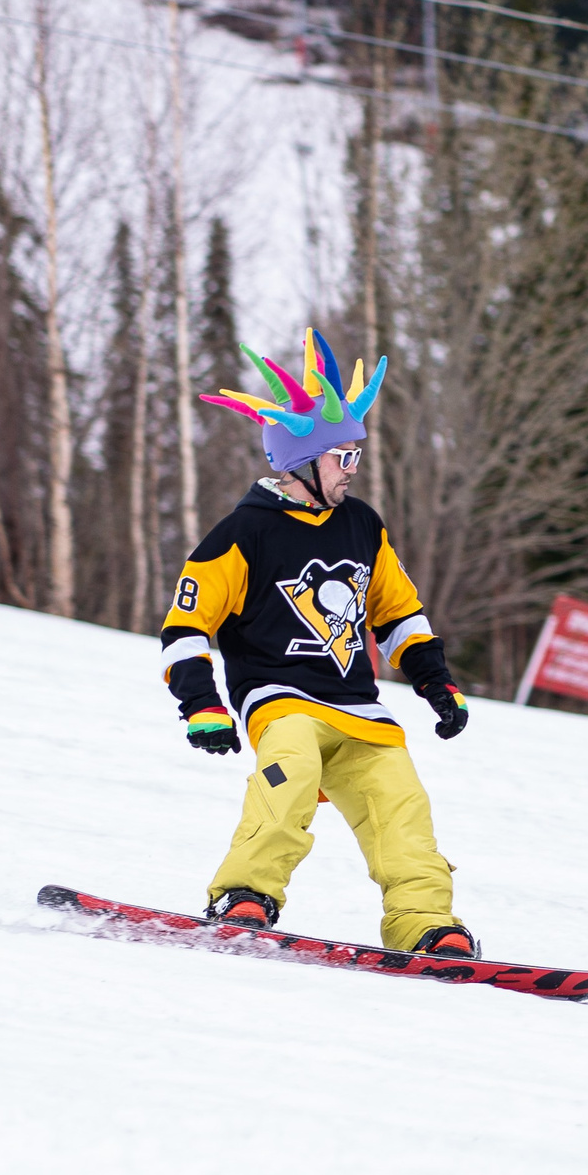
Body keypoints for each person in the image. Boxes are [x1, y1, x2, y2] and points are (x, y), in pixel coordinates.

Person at [161, 328, 477, 957]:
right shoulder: (241, 534)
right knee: (291, 773)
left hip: (359, 706)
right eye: (343, 457)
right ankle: (244, 894)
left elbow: (398, 614)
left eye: (357, 456)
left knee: (402, 806)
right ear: (299, 462)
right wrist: (202, 706)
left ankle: (425, 924)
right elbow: (184, 629)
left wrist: (436, 682)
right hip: (280, 698)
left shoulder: (362, 525)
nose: (352, 470)